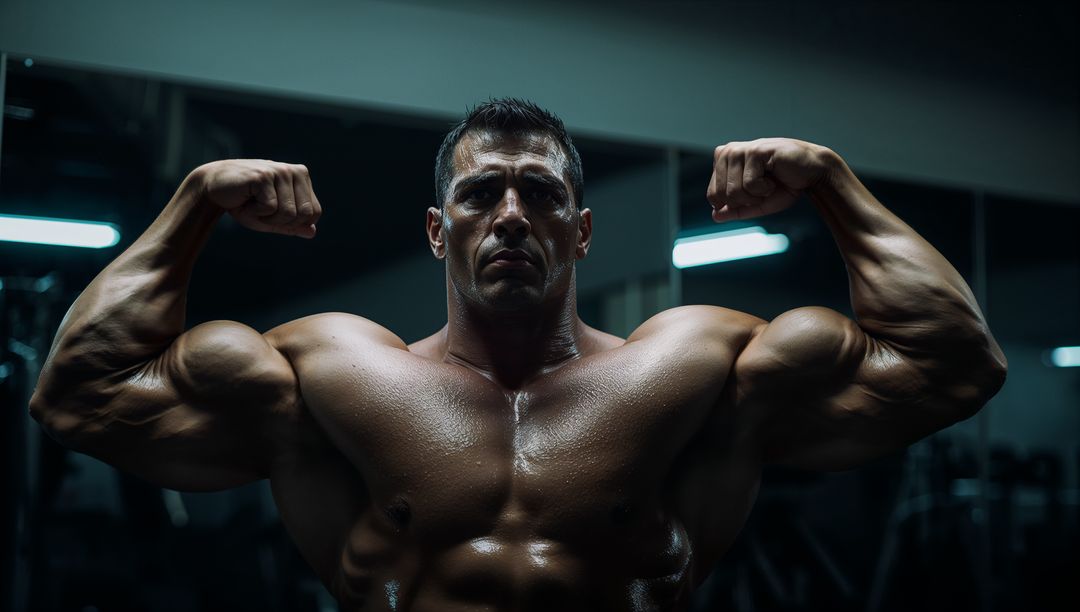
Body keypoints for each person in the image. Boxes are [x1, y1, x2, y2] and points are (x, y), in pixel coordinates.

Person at [30, 98, 1006, 611]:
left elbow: (954, 364)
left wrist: (832, 182)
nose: (509, 217)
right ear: (435, 230)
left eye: (539, 195)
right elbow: (78, 396)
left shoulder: (694, 371)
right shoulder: (328, 376)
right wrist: (195, 199)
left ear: (580, 233)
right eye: (480, 194)